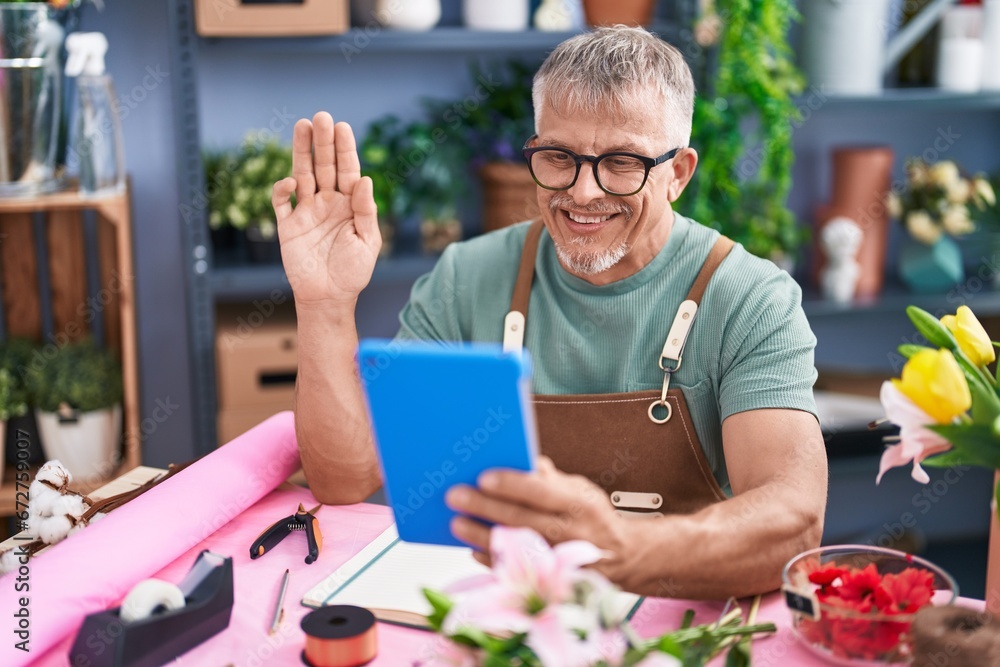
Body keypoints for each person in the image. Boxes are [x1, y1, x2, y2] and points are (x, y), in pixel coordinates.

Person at [273, 26, 828, 600]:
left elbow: (794, 525)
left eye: (621, 163)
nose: (583, 192)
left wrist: (617, 551)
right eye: (559, 157)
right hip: (506, 616)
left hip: (674, 624)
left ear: (679, 174)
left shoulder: (752, 299)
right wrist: (325, 303)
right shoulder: (466, 279)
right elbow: (345, 480)